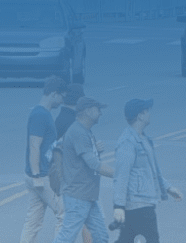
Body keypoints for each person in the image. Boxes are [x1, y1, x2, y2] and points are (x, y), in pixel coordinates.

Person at [113, 98, 181, 243]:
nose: (149, 114)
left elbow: (152, 172)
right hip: (137, 203)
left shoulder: (144, 139)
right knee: (151, 239)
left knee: (126, 239)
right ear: (140, 116)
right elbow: (121, 175)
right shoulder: (127, 142)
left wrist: (168, 188)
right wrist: (118, 206)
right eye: (146, 111)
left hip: (144, 202)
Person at [49, 96, 113, 243]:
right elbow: (94, 164)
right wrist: (120, 174)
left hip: (87, 195)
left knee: (101, 237)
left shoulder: (84, 131)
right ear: (88, 111)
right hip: (78, 196)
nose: (100, 113)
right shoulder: (78, 132)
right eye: (98, 109)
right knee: (67, 237)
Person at [21, 76, 65, 243]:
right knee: (64, 213)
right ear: (54, 94)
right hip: (41, 175)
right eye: (61, 97)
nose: (62, 101)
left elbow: (45, 144)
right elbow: (34, 145)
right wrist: (37, 175)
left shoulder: (43, 114)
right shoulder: (40, 115)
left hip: (38, 174)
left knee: (33, 220)